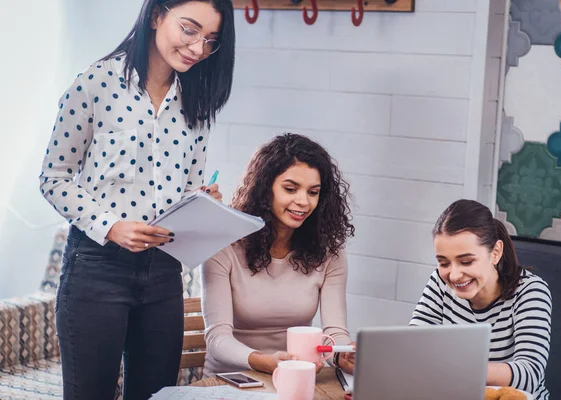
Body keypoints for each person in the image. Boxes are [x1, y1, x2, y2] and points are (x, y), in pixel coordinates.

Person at [38, 1, 234, 399]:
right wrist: (110, 226)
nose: (198, 48)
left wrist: (202, 200)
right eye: (190, 29)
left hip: (164, 275)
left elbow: (188, 189)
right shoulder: (95, 83)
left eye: (210, 40)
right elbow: (53, 177)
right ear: (158, 15)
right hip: (96, 271)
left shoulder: (196, 103)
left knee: (156, 397)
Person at [201, 133, 356, 377]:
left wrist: (341, 354)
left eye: (313, 192)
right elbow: (217, 339)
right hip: (231, 380)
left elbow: (335, 332)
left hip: (295, 377)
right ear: (265, 188)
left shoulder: (329, 253)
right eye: (290, 189)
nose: (303, 201)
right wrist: (265, 362)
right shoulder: (224, 246)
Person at [410, 199, 552, 400]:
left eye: (466, 261)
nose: (454, 275)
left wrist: (457, 372)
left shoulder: (530, 291)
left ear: (495, 253)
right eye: (444, 263)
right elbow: (413, 344)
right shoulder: (440, 282)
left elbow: (530, 373)